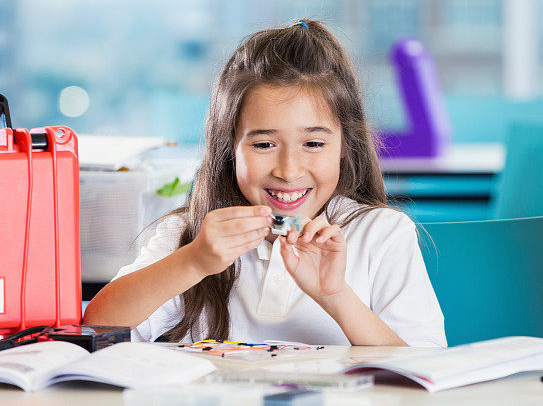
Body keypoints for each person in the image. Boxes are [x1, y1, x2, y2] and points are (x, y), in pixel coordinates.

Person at [83, 20, 446, 347]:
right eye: (264, 144)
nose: (289, 170)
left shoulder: (382, 234)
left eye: (314, 144)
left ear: (345, 147)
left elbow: (425, 372)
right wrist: (194, 261)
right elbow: (98, 327)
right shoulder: (190, 234)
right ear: (229, 149)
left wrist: (335, 296)